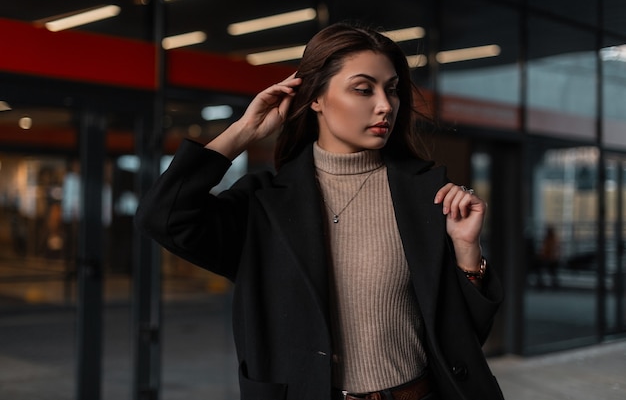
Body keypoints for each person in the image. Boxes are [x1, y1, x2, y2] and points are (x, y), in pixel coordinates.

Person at [136, 22, 504, 400]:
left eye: (391, 90)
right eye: (363, 89)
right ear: (316, 98)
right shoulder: (265, 206)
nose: (384, 105)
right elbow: (162, 216)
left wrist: (466, 252)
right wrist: (244, 132)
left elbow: (465, 337)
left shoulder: (426, 195)